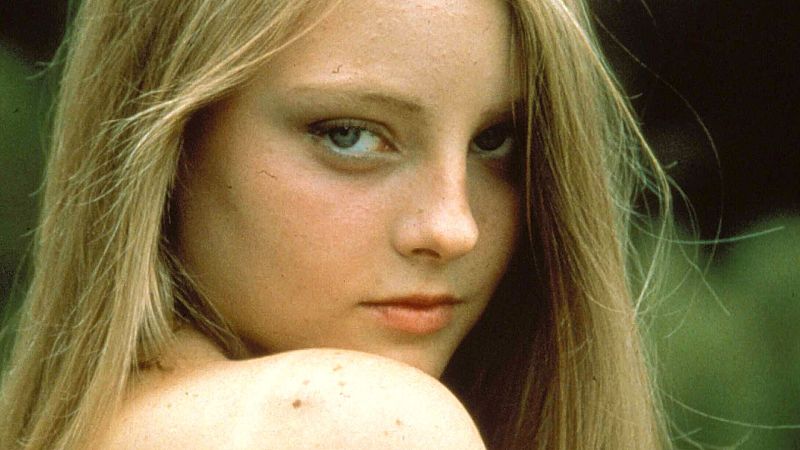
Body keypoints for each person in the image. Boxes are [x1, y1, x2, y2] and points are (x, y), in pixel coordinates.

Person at [0, 0, 673, 448]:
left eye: (495, 141)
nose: (453, 227)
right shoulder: (361, 424)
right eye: (349, 135)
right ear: (172, 147)